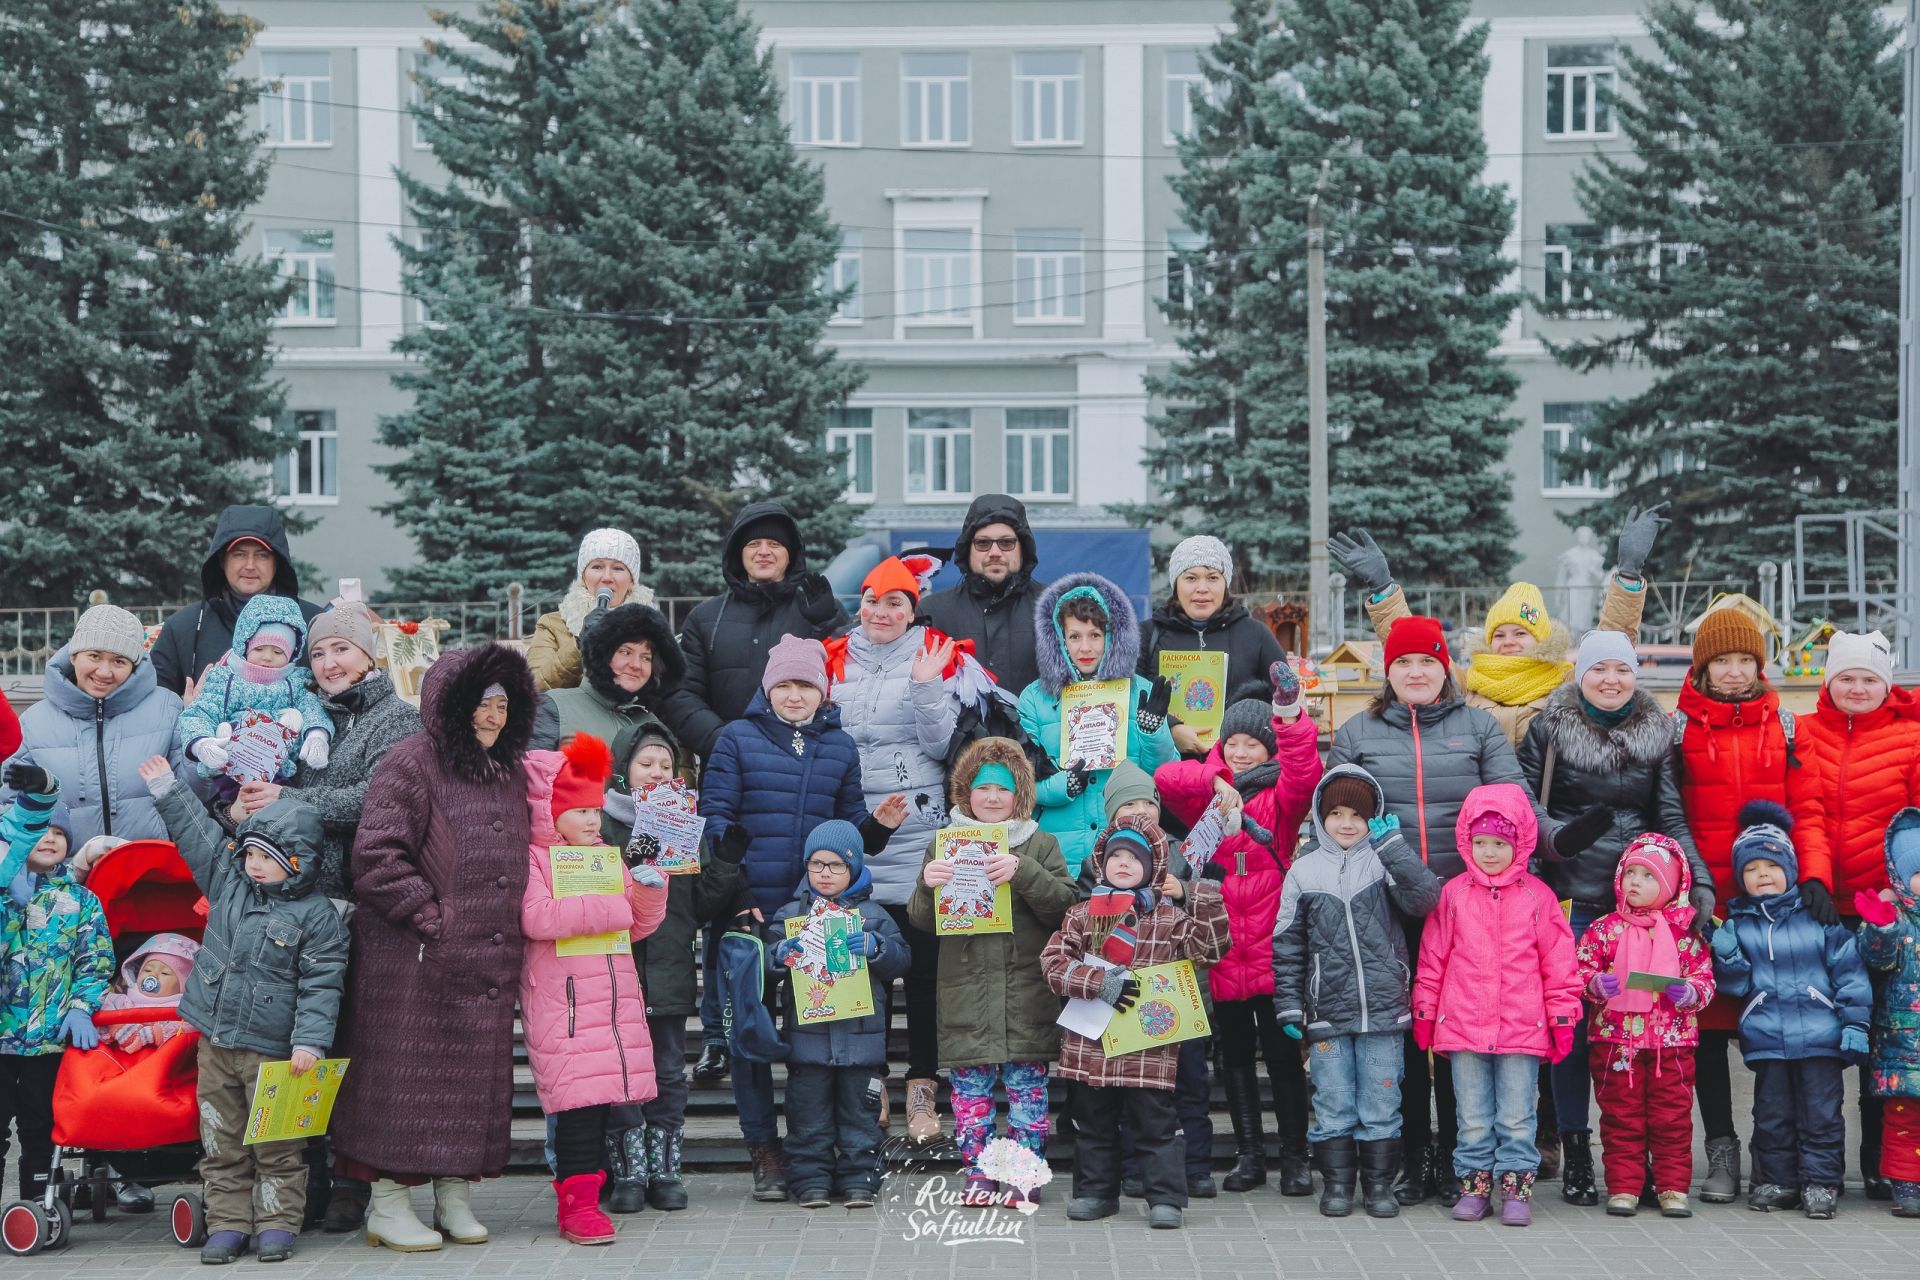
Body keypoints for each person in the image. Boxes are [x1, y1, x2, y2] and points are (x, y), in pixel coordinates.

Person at [1328, 612, 1590, 1205]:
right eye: (1403, 663)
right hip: (1385, 904)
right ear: (1388, 672)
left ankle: (1453, 1160)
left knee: (1457, 1037)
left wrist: (1558, 838)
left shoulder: (1477, 727)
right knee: (1402, 1036)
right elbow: (1336, 812)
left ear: (1445, 668)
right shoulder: (1357, 733)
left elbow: (1515, 805)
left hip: (1468, 907)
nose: (1416, 672)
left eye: (1427, 662)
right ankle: (1413, 1155)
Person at [329, 643, 537, 1253]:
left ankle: (454, 1193)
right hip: (413, 960)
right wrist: (432, 918)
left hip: (487, 962)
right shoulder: (411, 761)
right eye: (481, 702)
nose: (493, 714)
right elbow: (376, 855)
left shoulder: (508, 768)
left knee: (470, 1084)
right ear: (451, 703)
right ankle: (389, 1202)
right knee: (404, 1079)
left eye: (503, 702)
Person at [701, 634, 903, 1198]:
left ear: (823, 690)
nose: (795, 695)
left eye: (806, 685)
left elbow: (850, 832)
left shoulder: (838, 746)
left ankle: (827, 1151)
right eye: (785, 685)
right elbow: (714, 820)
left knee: (823, 1036)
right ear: (768, 689)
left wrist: (879, 827)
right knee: (752, 1036)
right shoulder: (736, 739)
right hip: (749, 911)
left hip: (819, 918)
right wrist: (737, 893)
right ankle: (765, 1150)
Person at [658, 503, 846, 1090]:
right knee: (729, 911)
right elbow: (680, 689)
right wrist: (724, 738)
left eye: (776, 544)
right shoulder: (708, 617)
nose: (764, 552)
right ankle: (719, 1035)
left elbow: (852, 663)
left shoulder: (811, 609)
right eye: (752, 544)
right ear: (737, 554)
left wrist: (832, 617)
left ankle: (811, 1031)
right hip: (733, 771)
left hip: (807, 769)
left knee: (801, 909)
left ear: (792, 553)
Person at [1516, 628, 1708, 1205]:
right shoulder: (1548, 728)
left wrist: (1696, 880)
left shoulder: (1658, 732)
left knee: (1646, 1032)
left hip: (1644, 902)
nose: (1610, 680)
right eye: (1598, 669)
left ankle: (1647, 1160)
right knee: (1573, 1030)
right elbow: (1526, 806)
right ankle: (1577, 1149)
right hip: (1572, 898)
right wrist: (1563, 839)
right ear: (1581, 675)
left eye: (1621, 670)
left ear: (1635, 675)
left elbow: (1670, 813)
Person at [140, 758, 349, 1264]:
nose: (255, 864)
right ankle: (229, 1222)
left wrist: (309, 1042)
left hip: (276, 1052)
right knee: (221, 1137)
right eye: (251, 853)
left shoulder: (319, 916)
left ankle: (277, 1221)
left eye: (268, 857)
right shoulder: (229, 884)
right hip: (216, 1040)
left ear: (298, 862)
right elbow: (198, 835)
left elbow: (322, 985)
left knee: (277, 1143)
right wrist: (169, 790)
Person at [1154, 662, 1322, 1196]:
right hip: (1222, 942)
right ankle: (1250, 1154)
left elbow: (1305, 767)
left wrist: (1289, 714)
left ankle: (1295, 1157)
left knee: (1281, 1058)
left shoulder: (1283, 799)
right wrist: (1218, 778)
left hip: (1273, 941)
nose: (1243, 751)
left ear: (1268, 750)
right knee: (1236, 1062)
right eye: (1234, 743)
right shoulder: (1209, 792)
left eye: (1254, 743)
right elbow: (1166, 779)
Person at [823, 557, 969, 1146]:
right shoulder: (830, 656)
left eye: (896, 603)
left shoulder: (936, 654)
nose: (881, 613)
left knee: (928, 978)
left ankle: (924, 1088)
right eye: (872, 600)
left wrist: (928, 687)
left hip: (919, 839)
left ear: (914, 608)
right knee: (862, 971)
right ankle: (872, 1081)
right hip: (859, 833)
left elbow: (945, 743)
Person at [1333, 504, 1663, 749]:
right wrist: (1383, 589)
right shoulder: (1465, 687)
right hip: (1484, 834)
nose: (1508, 642)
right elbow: (1412, 647)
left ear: (1541, 640)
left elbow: (1611, 645)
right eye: (1499, 635)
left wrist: (1628, 576)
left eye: (1520, 633)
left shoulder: (1567, 685)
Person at [907, 738, 1076, 1207]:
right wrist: (927, 885)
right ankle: (979, 1176)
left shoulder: (1040, 843)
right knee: (971, 1096)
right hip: (966, 994)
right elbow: (921, 920)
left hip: (1026, 993)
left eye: (1004, 789)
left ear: (1019, 795)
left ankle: (1023, 1177)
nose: (993, 798)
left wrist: (1023, 872)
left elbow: (1066, 908)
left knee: (1027, 1094)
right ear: (966, 793)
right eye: (983, 789)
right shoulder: (944, 845)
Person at [518, 734, 669, 1246]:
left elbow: (638, 926)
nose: (591, 822)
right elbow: (536, 917)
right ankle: (576, 1207)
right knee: (579, 1109)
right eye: (579, 811)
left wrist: (649, 888)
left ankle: (586, 1198)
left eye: (596, 811)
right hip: (567, 1008)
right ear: (550, 813)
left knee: (601, 1103)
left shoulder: (604, 857)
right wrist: (617, 908)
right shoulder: (536, 859)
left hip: (613, 1000)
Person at [1042, 817, 1230, 1229]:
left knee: (1156, 1125)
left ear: (1153, 867)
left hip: (1149, 1045)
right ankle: (1095, 1193)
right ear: (1101, 863)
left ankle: (1164, 1198)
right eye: (1116, 857)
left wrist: (1203, 899)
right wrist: (1096, 982)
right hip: (1090, 1043)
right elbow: (1053, 964)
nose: (1124, 864)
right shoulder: (1081, 914)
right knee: (1094, 1125)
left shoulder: (1169, 917)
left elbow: (1211, 950)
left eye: (1134, 858)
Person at [1273, 767, 1442, 1218]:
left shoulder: (1383, 859)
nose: (1347, 824)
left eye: (1357, 815)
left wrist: (1394, 849)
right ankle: (1338, 1187)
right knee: (1333, 1100)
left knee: (1382, 1100)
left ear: (1374, 819)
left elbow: (1425, 899)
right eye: (1337, 814)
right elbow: (1288, 943)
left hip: (1383, 1013)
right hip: (1326, 1011)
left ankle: (1379, 1186)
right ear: (1320, 817)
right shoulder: (1303, 871)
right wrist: (1289, 1005)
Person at [1412, 784, 1581, 1228]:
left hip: (1521, 1029)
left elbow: (1559, 964)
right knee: (1472, 1116)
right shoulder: (1453, 896)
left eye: (1500, 844)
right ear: (1466, 842)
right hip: (1464, 1024)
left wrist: (1562, 1018)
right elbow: (1433, 958)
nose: (1489, 853)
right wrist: (1426, 1012)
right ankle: (1474, 1187)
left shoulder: (1537, 897)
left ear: (1520, 843)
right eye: (1481, 842)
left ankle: (1516, 1189)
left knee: (1517, 1116)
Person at [1672, 605, 1796, 1203]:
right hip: (1706, 904)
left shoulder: (1786, 726)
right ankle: (1721, 1150)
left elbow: (1810, 810)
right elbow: (1667, 813)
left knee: (1775, 1029)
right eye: (1722, 660)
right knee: (1708, 1035)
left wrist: (1808, 883)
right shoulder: (1679, 728)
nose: (1734, 671)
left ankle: (1776, 1153)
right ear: (1703, 666)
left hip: (1774, 904)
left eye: (1745, 659)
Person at [597, 721, 746, 1213]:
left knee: (667, 1071)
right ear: (624, 770)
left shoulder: (683, 824)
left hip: (670, 969)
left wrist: (723, 861)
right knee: (623, 1072)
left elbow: (699, 903)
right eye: (646, 764)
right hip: (616, 973)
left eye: (666, 764)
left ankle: (665, 1170)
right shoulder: (602, 824)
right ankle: (628, 1172)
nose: (657, 773)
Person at [1709, 801, 1871, 1219]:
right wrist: (1727, 955)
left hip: (1821, 1036)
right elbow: (1737, 986)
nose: (1762, 875)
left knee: (1821, 1115)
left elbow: (1849, 973)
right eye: (1751, 869)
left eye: (1771, 866)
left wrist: (1855, 1023)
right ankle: (1778, 1180)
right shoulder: (1741, 924)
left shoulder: (1819, 918)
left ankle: (1820, 1183)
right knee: (1772, 1114)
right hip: (1768, 1037)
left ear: (1792, 869)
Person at [230, 600, 421, 910]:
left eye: (341, 649)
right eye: (317, 654)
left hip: (353, 901)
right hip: (285, 896)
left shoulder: (398, 719)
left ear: (368, 655)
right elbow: (262, 786)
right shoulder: (303, 715)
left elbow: (376, 802)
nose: (328, 663)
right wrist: (235, 810)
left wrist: (287, 799)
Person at [768, 820, 910, 1210]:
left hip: (861, 1043)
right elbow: (763, 964)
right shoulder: (790, 915)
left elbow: (901, 962)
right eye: (816, 864)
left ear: (853, 868)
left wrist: (877, 947)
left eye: (835, 865)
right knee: (807, 1118)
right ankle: (810, 1181)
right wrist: (778, 955)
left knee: (860, 1118)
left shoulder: (874, 915)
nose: (825, 873)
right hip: (807, 1040)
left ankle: (860, 1180)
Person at [1575, 833, 1715, 1218]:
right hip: (1615, 1042)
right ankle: (1624, 1187)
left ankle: (1672, 1186)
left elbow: (1704, 978)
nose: (1635, 882)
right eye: (1630, 873)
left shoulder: (1684, 937)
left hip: (1671, 1044)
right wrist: (1593, 984)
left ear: (1670, 887)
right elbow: (1581, 967)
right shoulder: (1605, 929)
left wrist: (1690, 994)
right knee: (1621, 1116)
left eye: (1648, 876)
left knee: (1672, 1117)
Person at [0, 767, 111, 1204]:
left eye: (58, 833)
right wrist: (10, 901)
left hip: (49, 1039)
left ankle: (36, 1204)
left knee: (40, 1124)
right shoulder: (6, 894)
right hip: (3, 1037)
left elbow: (94, 960)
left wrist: (82, 1006)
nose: (48, 839)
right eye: (39, 831)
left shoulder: (81, 900)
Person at [1020, 572, 1177, 877]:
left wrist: (1152, 730)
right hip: (1059, 856)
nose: (1085, 647)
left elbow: (1163, 776)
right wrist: (1062, 785)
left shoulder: (1138, 691)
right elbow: (1022, 782)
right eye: (1075, 636)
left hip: (1125, 852)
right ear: (1059, 639)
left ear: (1112, 637)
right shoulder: (1035, 698)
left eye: (1095, 635)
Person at [4, 605, 186, 850]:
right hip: (64, 880)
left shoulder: (167, 708)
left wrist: (199, 737)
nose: (104, 671)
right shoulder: (34, 722)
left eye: (119, 661)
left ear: (134, 665)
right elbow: (8, 804)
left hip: (150, 872)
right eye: (94, 656)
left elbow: (193, 793)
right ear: (73, 655)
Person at [150, 505, 323, 698]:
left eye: (262, 555)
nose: (250, 566)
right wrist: (184, 711)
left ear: (277, 562)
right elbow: (155, 703)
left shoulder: (314, 623)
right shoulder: (183, 628)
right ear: (222, 560)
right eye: (239, 554)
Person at [1136, 535, 1285, 756]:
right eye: (1191, 578)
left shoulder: (1256, 634)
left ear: (1225, 583)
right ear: (1176, 583)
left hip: (1239, 769)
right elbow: (1129, 700)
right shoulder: (1147, 635)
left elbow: (1284, 704)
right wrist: (1171, 728)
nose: (1202, 588)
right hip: (1165, 767)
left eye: (1213, 577)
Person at [176, 594, 334, 793]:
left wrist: (317, 734)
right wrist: (201, 742)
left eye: (278, 652)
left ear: (292, 654)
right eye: (259, 648)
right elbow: (199, 713)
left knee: (293, 718)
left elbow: (313, 708)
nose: (267, 657)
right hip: (233, 767)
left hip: (281, 770)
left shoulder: (297, 680)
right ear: (246, 645)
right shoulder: (225, 678)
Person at [1855, 809, 1920, 1217]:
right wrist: (1879, 928)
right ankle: (1906, 1186)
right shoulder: (1895, 917)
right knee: (1903, 1122)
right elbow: (1877, 963)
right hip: (1903, 1048)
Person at [918, 494, 1049, 694]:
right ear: (968, 550)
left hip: (1034, 726)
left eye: (1006, 543)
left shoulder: (1055, 607)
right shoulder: (931, 612)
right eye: (983, 543)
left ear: (1023, 549)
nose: (995, 552)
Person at [532, 603, 683, 752]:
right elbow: (527, 772)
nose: (636, 665)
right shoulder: (554, 707)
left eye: (646, 658)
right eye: (625, 652)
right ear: (603, 654)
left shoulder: (654, 726)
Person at [527, 528, 651, 693]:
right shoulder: (553, 624)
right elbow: (536, 685)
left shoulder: (651, 627)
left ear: (631, 581)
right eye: (597, 567)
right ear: (583, 577)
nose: (606, 577)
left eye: (618, 568)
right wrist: (580, 642)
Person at [98, 933, 200, 1051]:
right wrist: (116, 1026)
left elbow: (191, 1027)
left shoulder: (184, 1009)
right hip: (119, 1057)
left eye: (164, 973)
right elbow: (100, 1006)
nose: (153, 975)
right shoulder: (124, 1001)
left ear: (183, 986)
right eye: (147, 970)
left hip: (161, 1060)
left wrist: (154, 1033)